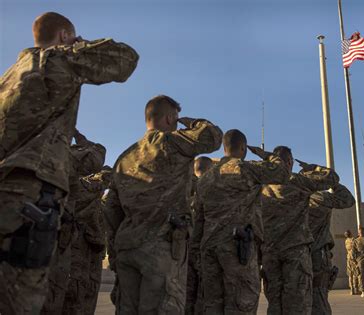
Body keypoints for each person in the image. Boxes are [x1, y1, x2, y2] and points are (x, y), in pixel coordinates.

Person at [0, 12, 138, 313]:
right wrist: (78, 45)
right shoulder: (59, 59)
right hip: (30, 199)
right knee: (21, 300)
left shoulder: (9, 76)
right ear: (64, 35)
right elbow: (125, 59)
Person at [105, 95, 223, 314]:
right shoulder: (171, 143)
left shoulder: (124, 157)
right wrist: (193, 123)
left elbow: (111, 207)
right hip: (161, 248)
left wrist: (115, 248)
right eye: (175, 119)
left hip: (127, 246)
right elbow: (213, 137)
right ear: (170, 119)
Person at [194, 130, 290, 314]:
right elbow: (282, 173)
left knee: (212, 306)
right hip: (237, 249)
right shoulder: (245, 168)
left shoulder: (205, 178)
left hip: (209, 249)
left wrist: (197, 252)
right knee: (241, 304)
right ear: (243, 147)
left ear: (224, 147)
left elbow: (199, 218)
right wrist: (268, 155)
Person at [256, 146, 329, 314]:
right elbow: (332, 178)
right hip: (295, 253)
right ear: (289, 162)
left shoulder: (262, 187)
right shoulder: (300, 182)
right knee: (298, 303)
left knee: (274, 302)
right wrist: (312, 168)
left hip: (270, 252)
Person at [42, 130, 106, 314]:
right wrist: (81, 138)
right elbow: (96, 156)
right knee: (62, 297)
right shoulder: (72, 172)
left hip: (34, 234)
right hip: (62, 241)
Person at [303, 164, 355, 314]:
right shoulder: (320, 198)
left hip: (293, 256)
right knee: (318, 297)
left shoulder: (289, 197)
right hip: (317, 255)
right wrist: (333, 182)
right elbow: (348, 200)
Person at [186, 156, 214, 315]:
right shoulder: (210, 189)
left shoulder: (183, 187)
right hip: (204, 250)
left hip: (184, 250)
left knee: (186, 295)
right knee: (203, 296)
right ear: (210, 170)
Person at [344, 230, 360, 295]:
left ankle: (352, 289)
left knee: (350, 274)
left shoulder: (346, 241)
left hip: (348, 258)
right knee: (355, 274)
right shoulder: (353, 240)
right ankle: (356, 289)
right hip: (353, 258)